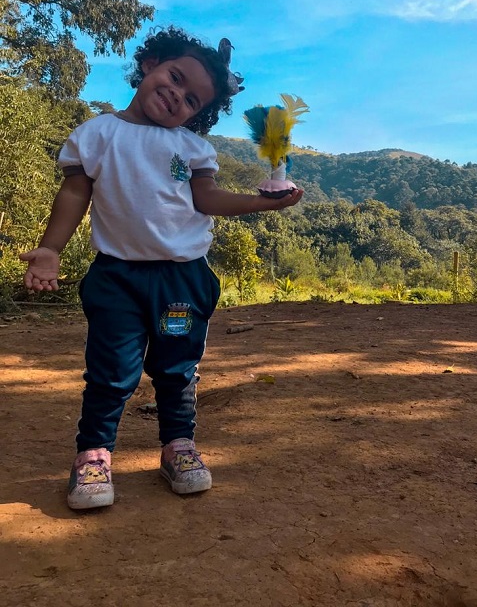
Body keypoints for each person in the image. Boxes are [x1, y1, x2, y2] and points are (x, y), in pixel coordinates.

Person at [20, 26, 303, 511]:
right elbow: (74, 193)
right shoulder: (98, 134)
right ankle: (93, 455)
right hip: (118, 278)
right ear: (149, 64)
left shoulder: (192, 149)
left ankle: (178, 446)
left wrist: (262, 203)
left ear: (200, 114)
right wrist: (50, 250)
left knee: (177, 368)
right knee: (111, 372)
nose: (177, 95)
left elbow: (207, 199)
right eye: (175, 76)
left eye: (192, 99)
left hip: (182, 279)